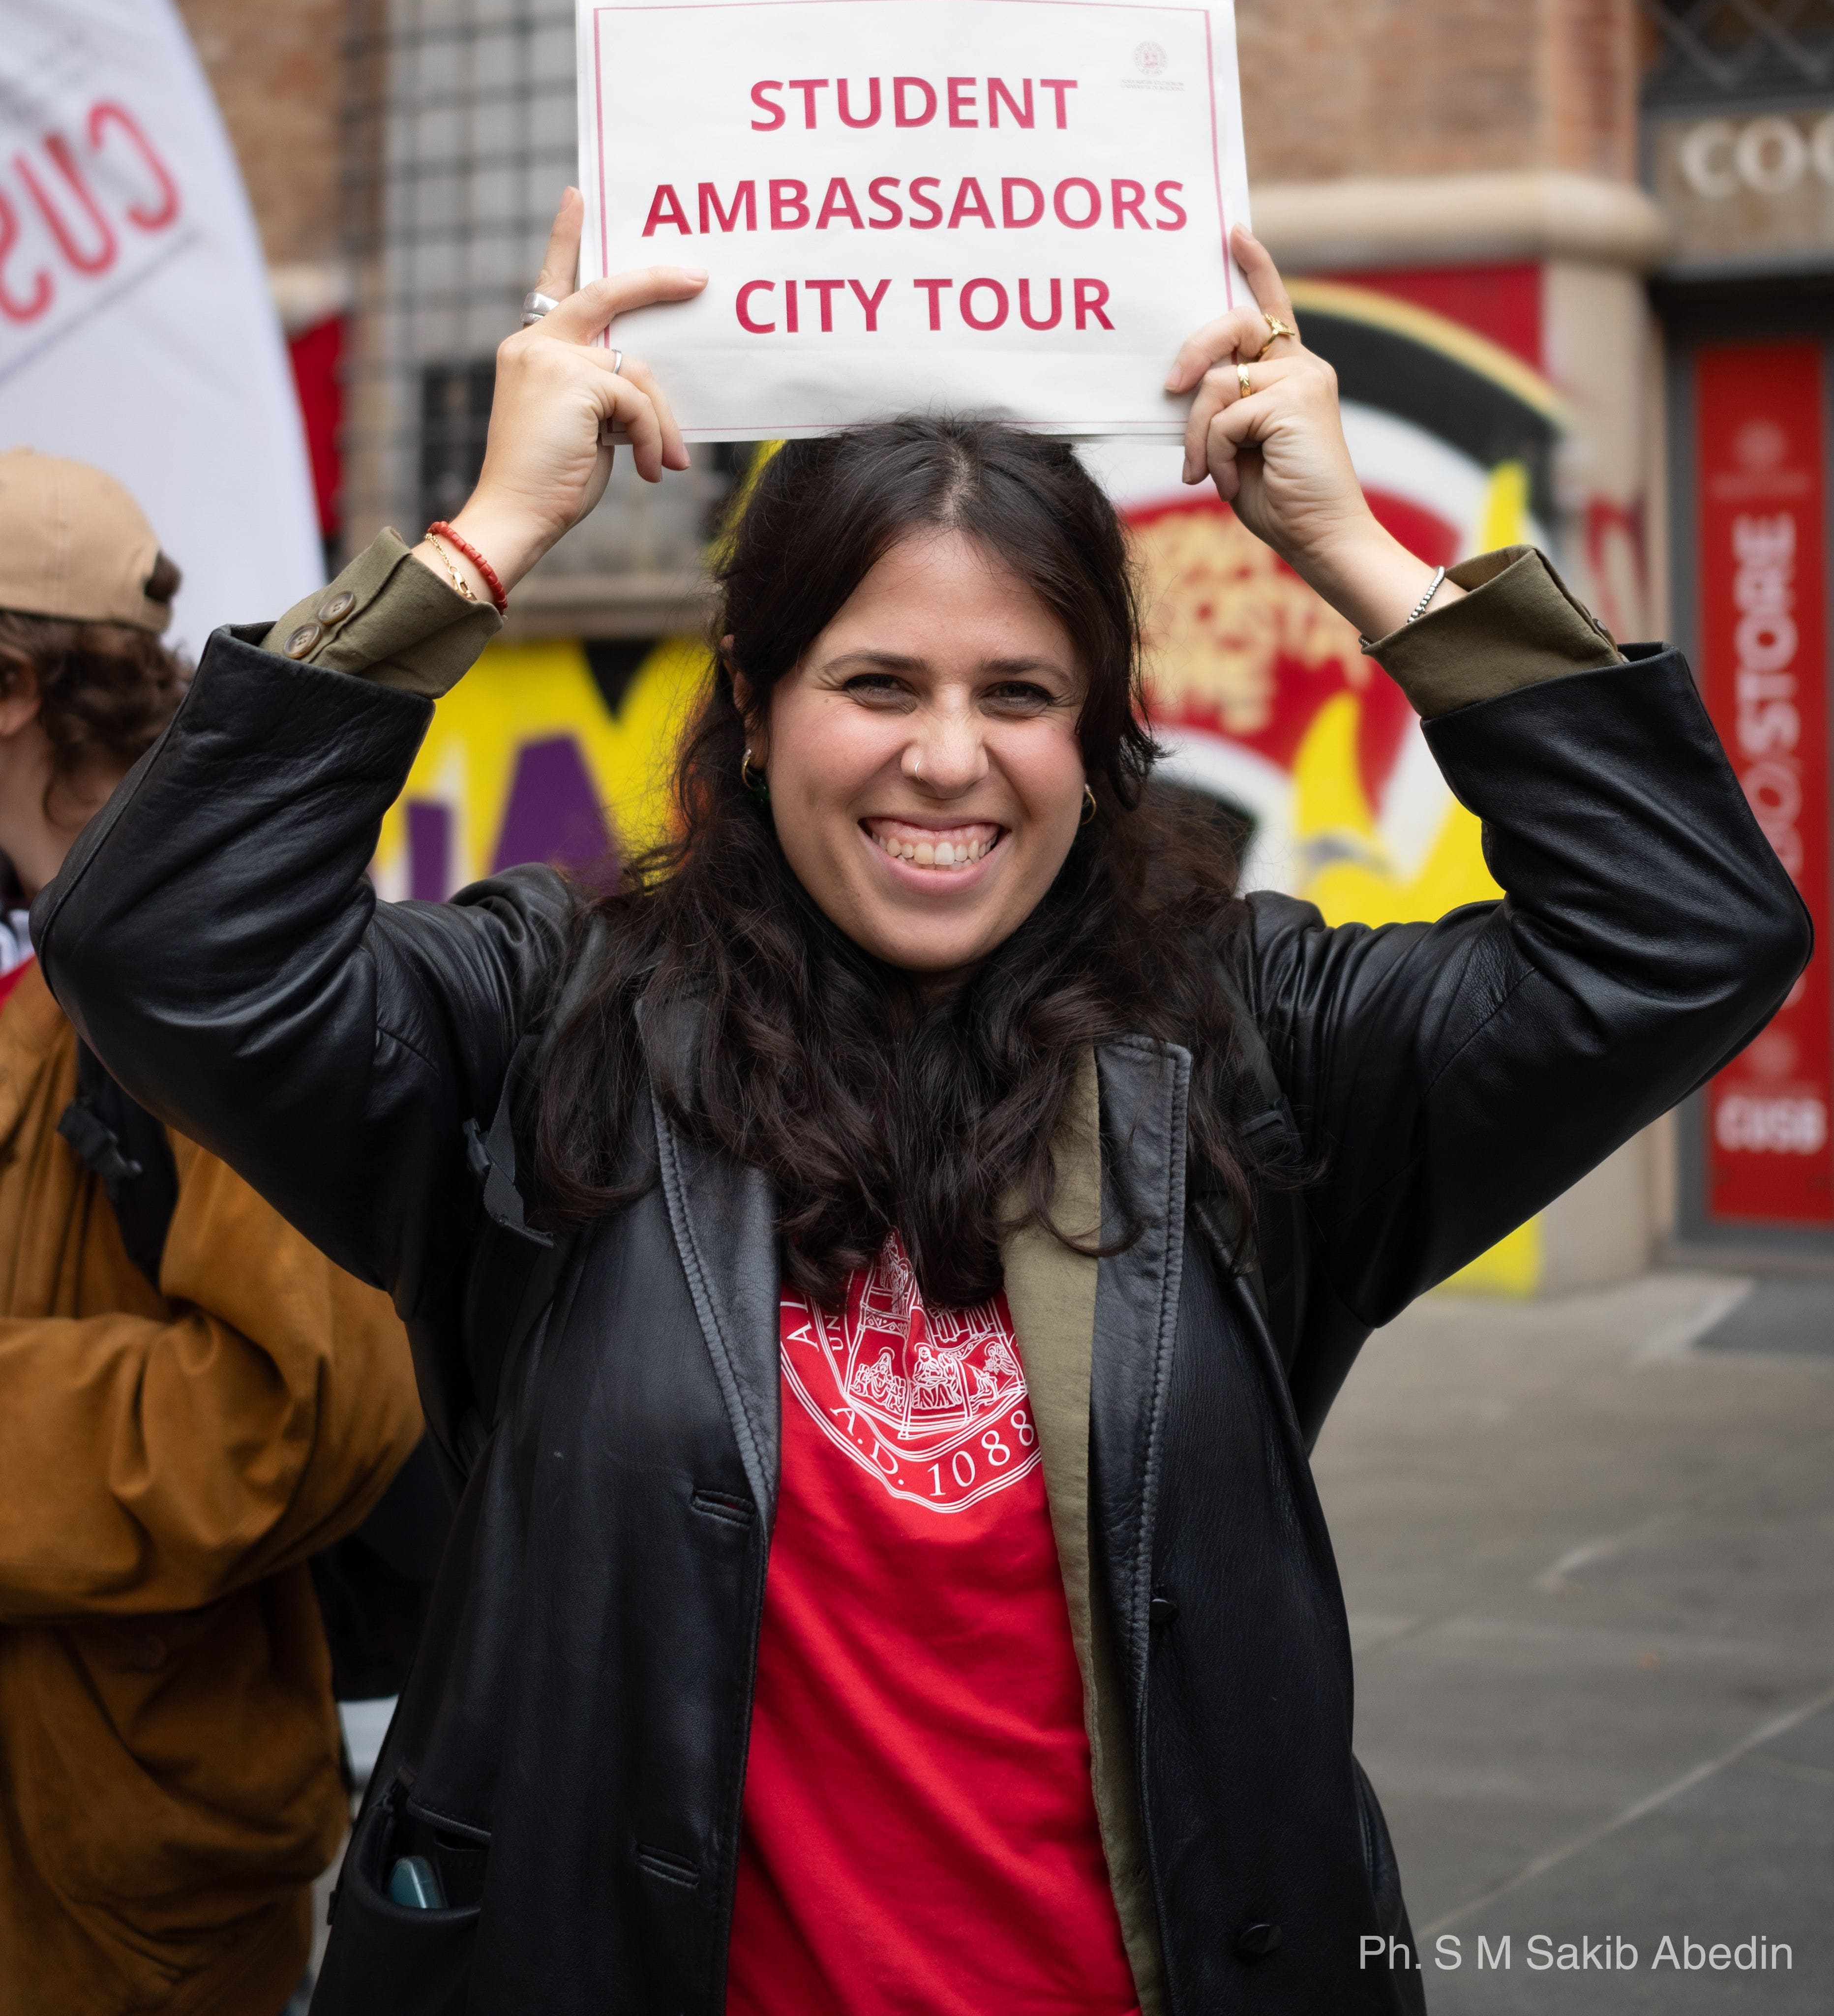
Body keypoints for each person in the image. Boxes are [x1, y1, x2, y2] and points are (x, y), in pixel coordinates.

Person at [36, 203, 1804, 2016]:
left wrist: (1360, 554)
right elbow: (162, 943)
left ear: (1099, 732)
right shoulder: (541, 1027)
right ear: (754, 697)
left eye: (1019, 694)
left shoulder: (1255, 1044)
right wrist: (480, 548)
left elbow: (1686, 936)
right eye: (875, 682)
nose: (946, 757)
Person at [0, 450, 425, 2016]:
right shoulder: (57, 978)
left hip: (130, 1896)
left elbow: (308, 1402)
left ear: (10, 687)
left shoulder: (208, 982)